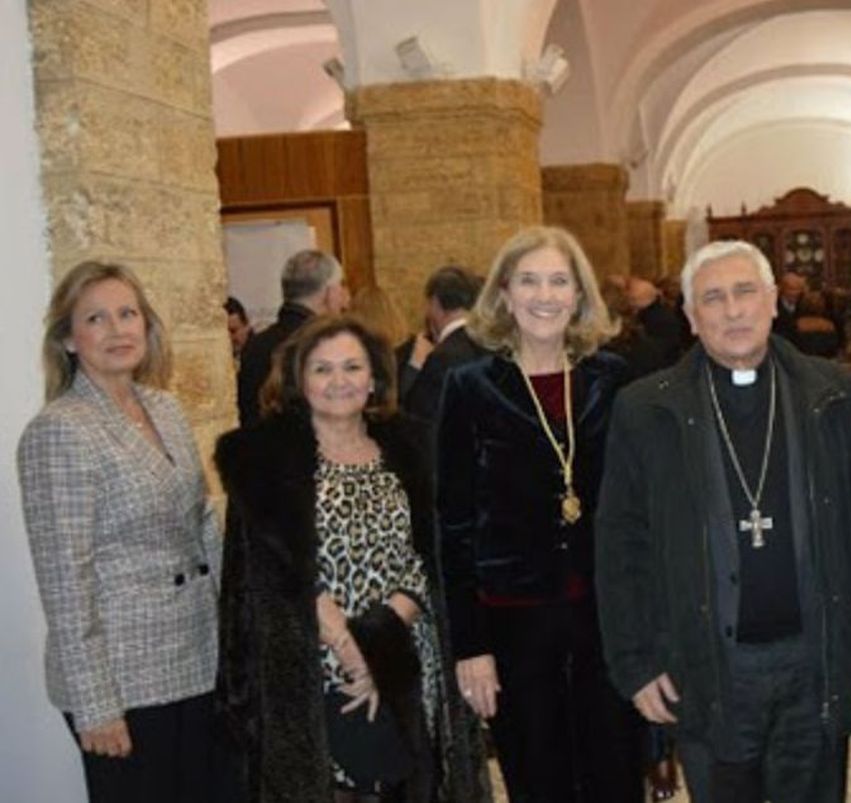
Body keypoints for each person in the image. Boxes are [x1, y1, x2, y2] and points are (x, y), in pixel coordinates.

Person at [595, 240, 851, 803]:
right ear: (691, 318)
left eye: (746, 292)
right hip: (708, 666)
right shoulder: (646, 409)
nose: (734, 310)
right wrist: (635, 662)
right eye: (713, 298)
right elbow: (620, 545)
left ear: (772, 301)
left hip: (813, 661)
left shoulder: (836, 393)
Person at [216, 316, 487, 803]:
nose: (338, 381)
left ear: (375, 378)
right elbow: (273, 571)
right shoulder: (263, 462)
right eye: (322, 369)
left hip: (406, 653)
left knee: (406, 784)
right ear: (298, 380)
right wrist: (351, 649)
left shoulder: (414, 448)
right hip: (317, 663)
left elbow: (431, 554)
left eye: (352, 367)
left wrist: (383, 642)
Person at [435, 226, 642, 803]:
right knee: (538, 780)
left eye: (558, 281)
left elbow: (641, 512)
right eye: (529, 281)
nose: (544, 296)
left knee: (616, 777)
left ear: (579, 295)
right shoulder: (470, 388)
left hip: (607, 620)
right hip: (514, 625)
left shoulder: (614, 380)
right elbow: (452, 525)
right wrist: (470, 646)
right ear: (504, 293)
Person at [17, 261, 227, 801]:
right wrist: (95, 704)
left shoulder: (165, 407)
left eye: (128, 314)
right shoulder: (59, 430)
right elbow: (65, 581)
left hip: (197, 654)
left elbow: (202, 522)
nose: (117, 329)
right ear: (68, 339)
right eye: (96, 318)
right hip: (124, 678)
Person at [237, 249, 349, 426]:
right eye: (341, 286)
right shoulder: (327, 349)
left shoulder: (254, 346)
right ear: (329, 293)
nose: (345, 299)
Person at [400, 266, 484, 426]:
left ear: (435, 303)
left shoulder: (442, 358)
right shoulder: (494, 345)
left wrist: (415, 367)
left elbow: (417, 421)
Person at [226, 296, 253, 362]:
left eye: (233, 331)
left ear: (247, 325)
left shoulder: (262, 356)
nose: (228, 337)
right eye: (223, 333)